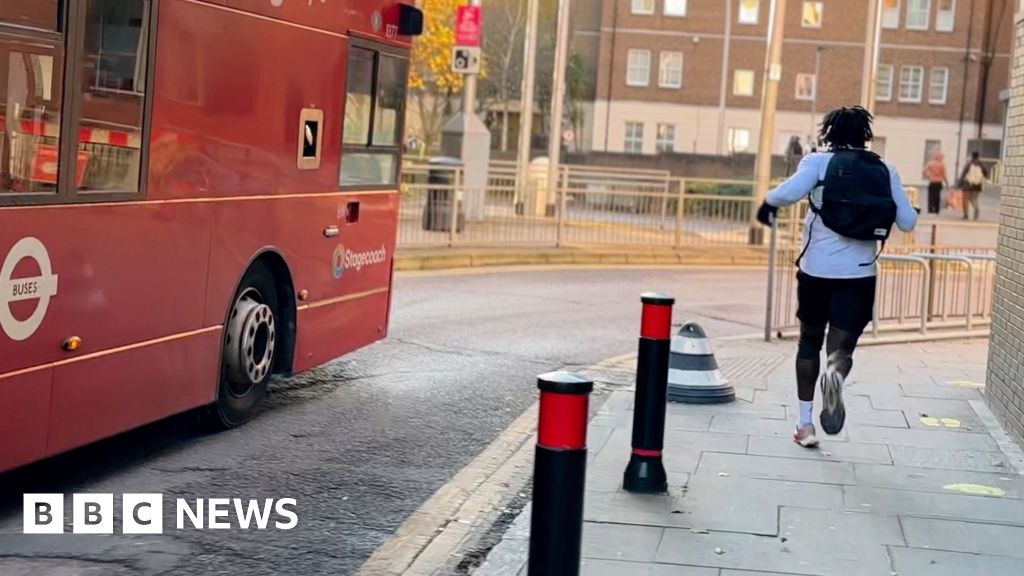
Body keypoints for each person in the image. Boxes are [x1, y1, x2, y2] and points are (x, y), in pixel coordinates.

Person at [755, 106, 918, 447]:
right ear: (865, 136)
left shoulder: (817, 163)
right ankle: (836, 373)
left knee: (809, 342)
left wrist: (768, 202)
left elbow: (788, 192)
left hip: (816, 271)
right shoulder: (885, 170)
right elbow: (906, 221)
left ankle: (805, 425)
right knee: (839, 348)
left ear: (829, 135)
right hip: (859, 275)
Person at [958, 151, 988, 220]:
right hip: (977, 185)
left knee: (965, 199)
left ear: (972, 156)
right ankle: (976, 210)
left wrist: (959, 184)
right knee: (974, 199)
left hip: (968, 184)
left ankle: (966, 215)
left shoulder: (969, 164)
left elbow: (964, 173)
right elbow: (986, 174)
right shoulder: (982, 164)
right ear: (978, 156)